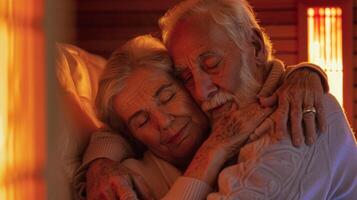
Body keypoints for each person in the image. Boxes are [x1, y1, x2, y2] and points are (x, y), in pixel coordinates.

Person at [74, 0, 356, 199]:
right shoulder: (227, 116)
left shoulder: (294, 124)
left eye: (211, 64)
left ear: (255, 47)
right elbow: (116, 126)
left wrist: (308, 72)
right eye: (186, 77)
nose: (201, 90)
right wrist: (98, 163)